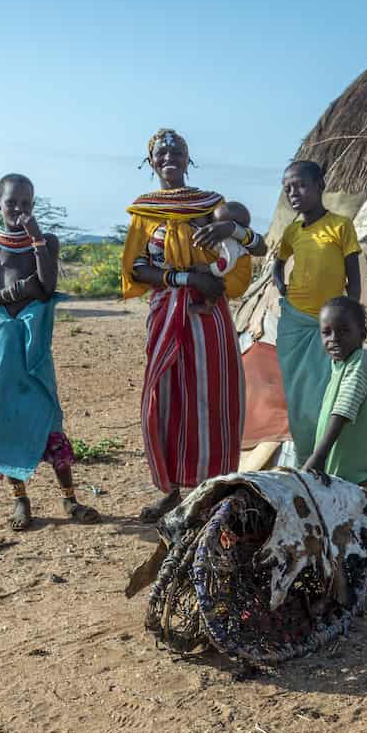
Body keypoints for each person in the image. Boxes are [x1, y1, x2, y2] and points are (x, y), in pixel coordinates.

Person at [120, 129, 267, 522]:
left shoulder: (214, 205)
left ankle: (212, 490)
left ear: (189, 159)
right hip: (167, 313)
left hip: (209, 317)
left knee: (212, 396)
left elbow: (259, 246)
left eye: (177, 151)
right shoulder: (145, 212)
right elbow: (136, 267)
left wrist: (230, 230)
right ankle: (172, 490)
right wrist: (186, 279)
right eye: (161, 152)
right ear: (151, 162)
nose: (170, 156)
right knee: (166, 398)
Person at [0, 173, 101, 531]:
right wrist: (11, 294)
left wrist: (37, 238)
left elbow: (46, 287)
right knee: (3, 416)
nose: (18, 209)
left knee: (47, 414)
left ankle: (70, 499)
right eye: (11, 202)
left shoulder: (46, 241)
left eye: (26, 204)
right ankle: (20, 500)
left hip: (34, 342)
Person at [272, 160, 361, 463]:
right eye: (287, 189)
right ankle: (304, 452)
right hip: (295, 323)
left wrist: (353, 314)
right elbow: (278, 262)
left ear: (320, 185)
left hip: (328, 324)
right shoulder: (292, 231)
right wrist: (280, 285)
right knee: (298, 394)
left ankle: (328, 456)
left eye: (300, 185)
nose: (293, 193)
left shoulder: (340, 225)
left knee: (328, 392)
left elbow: (354, 276)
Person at [301, 296, 367, 482]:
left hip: (352, 473)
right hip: (336, 468)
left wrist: (319, 456)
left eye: (344, 331)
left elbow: (344, 408)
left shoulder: (360, 360)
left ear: (362, 335)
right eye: (326, 332)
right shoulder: (337, 365)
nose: (334, 339)